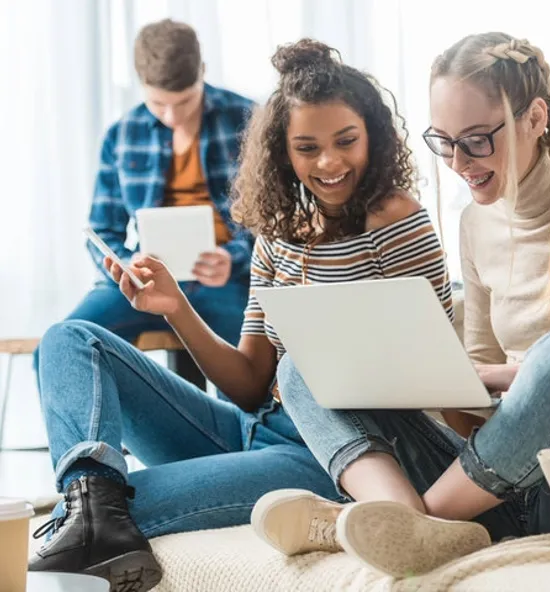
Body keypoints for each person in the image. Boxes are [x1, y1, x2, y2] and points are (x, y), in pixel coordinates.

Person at [251, 32, 550, 578]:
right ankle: (403, 518)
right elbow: (470, 407)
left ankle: (405, 519)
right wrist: (421, 378)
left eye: (478, 140)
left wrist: (512, 375)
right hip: (492, 484)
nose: (459, 162)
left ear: (535, 117)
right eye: (445, 141)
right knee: (301, 365)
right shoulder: (475, 223)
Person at [28, 39, 452, 592]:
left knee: (128, 506)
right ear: (284, 151)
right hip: (248, 427)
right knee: (70, 340)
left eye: (345, 141)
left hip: (321, 452)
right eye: (307, 147)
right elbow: (250, 385)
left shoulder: (396, 221)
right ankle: (90, 497)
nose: (328, 162)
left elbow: (430, 369)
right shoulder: (278, 237)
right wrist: (175, 308)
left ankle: (91, 515)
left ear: (371, 132)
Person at [45, 19, 254, 372]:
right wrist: (125, 264)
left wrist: (232, 259)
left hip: (227, 282)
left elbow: (278, 224)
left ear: (202, 71)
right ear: (140, 84)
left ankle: (243, 429)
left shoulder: (249, 119)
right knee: (61, 348)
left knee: (254, 367)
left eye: (185, 101)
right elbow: (102, 231)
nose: (172, 116)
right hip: (146, 282)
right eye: (158, 103)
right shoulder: (121, 135)